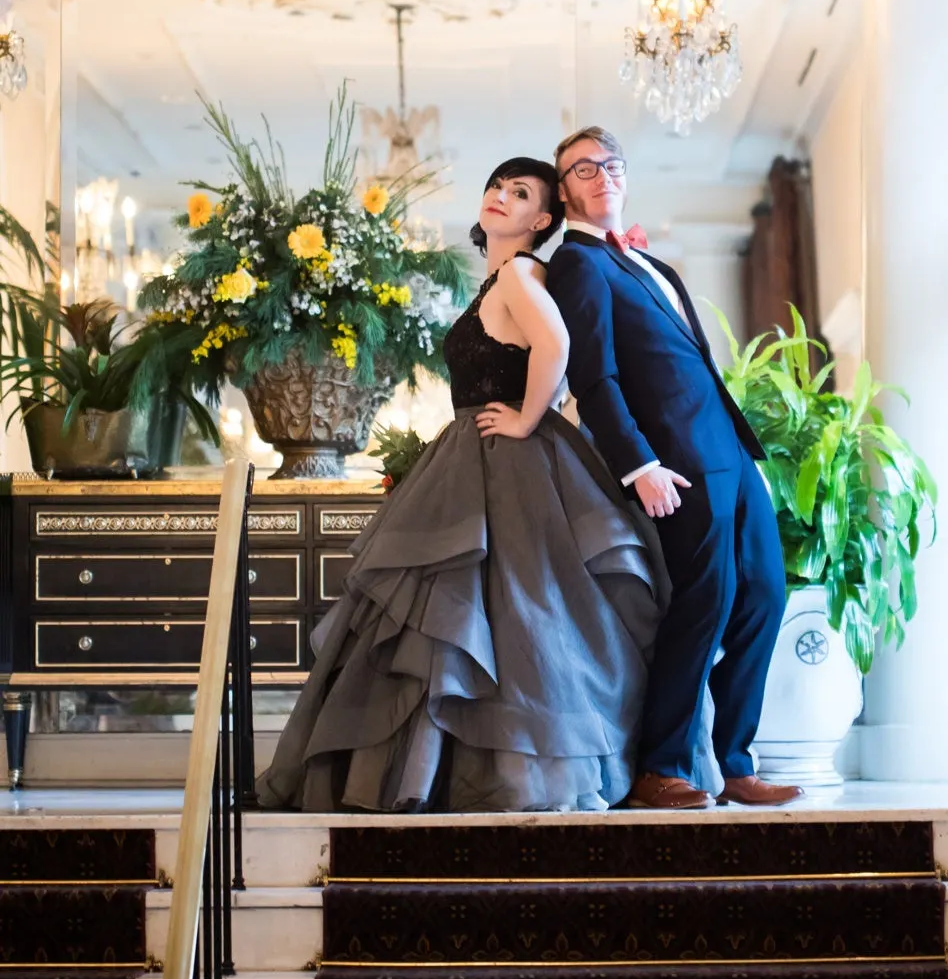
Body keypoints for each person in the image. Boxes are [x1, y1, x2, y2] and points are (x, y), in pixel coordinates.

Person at [257, 156, 665, 813]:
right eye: (497, 186)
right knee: (497, 615)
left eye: (521, 192)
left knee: (520, 614)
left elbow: (555, 346)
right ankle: (453, 771)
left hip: (509, 459)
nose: (501, 197)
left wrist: (528, 417)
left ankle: (497, 773)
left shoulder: (521, 273)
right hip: (479, 456)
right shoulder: (499, 280)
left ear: (543, 218)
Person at [546, 125, 798, 812]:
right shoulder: (577, 265)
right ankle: (660, 766)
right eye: (584, 168)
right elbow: (593, 377)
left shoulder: (648, 261)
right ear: (564, 187)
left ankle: (735, 762)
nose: (603, 175)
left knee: (766, 597)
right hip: (675, 465)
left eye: (611, 163)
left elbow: (697, 369)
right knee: (705, 602)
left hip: (731, 457)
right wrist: (640, 465)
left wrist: (750, 460)